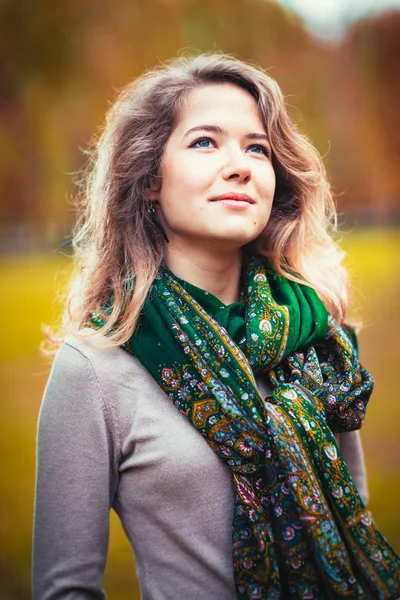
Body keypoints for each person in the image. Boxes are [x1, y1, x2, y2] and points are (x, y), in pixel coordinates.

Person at [32, 53, 400, 599]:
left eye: (258, 148)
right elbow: (65, 587)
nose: (241, 165)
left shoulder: (319, 337)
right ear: (150, 178)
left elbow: (354, 522)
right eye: (205, 142)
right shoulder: (96, 369)